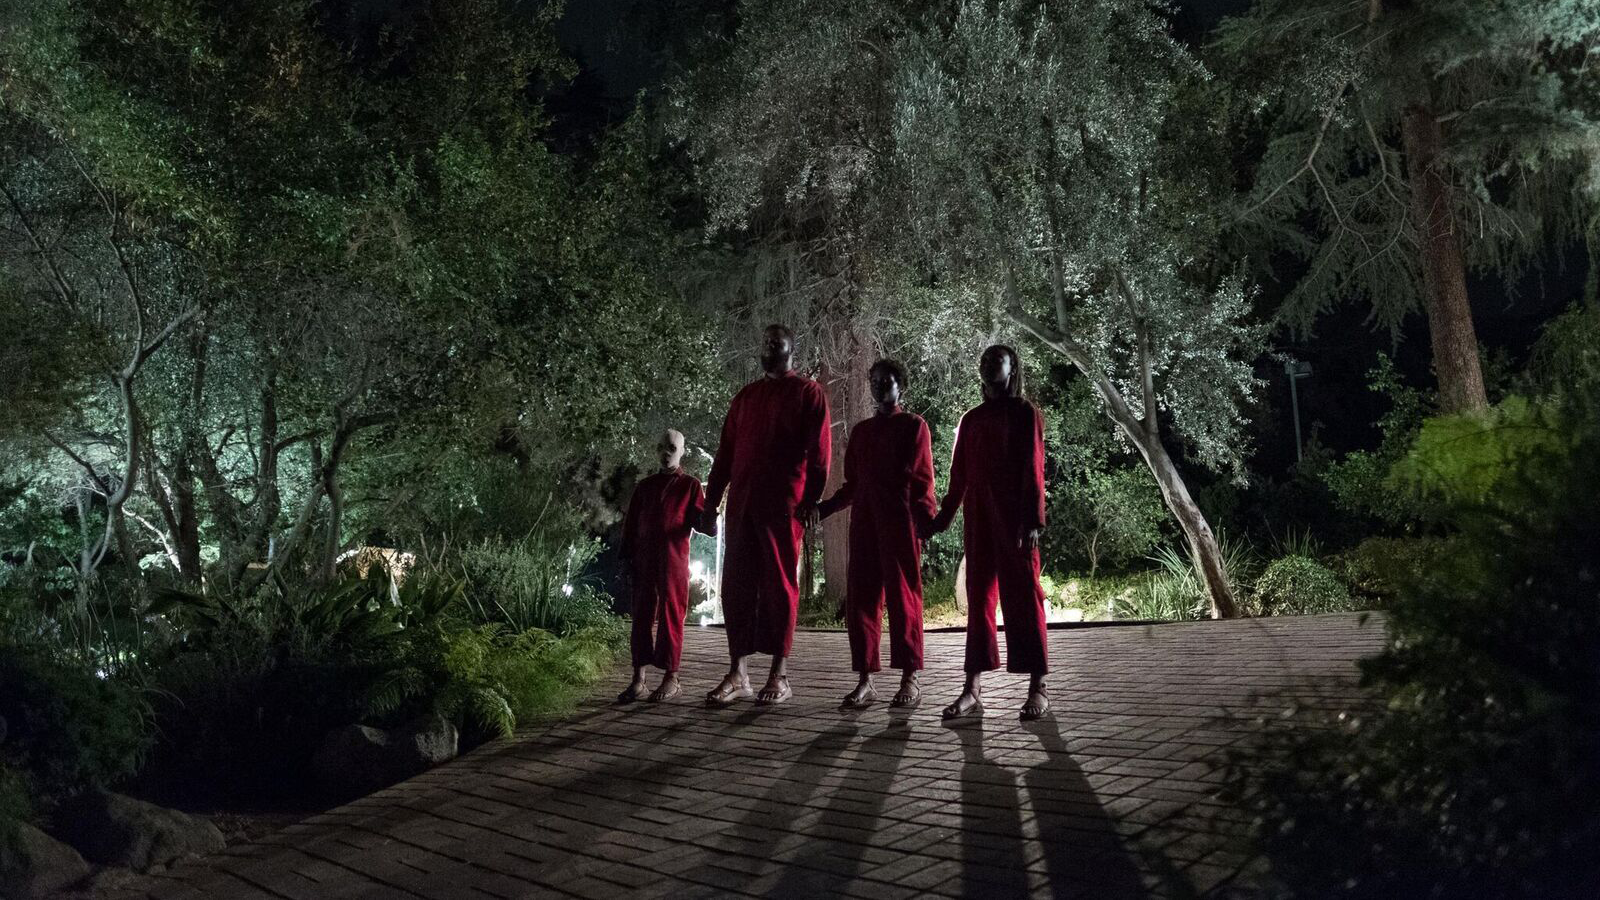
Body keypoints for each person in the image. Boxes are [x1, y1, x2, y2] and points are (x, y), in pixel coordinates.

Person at [701, 325, 831, 706]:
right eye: (765, 341)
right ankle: (738, 672)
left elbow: (819, 454)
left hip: (782, 505)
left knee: (779, 586)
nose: (769, 346)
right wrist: (711, 504)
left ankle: (780, 673)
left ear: (793, 348)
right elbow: (724, 456)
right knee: (736, 586)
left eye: (777, 341)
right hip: (742, 504)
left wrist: (811, 500)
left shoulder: (808, 393)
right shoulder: (745, 397)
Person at [924, 345, 1051, 721]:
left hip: (1015, 521)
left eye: (998, 359)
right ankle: (972, 689)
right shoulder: (972, 419)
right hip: (979, 522)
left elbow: (1034, 466)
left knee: (1025, 600)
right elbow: (958, 476)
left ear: (1013, 369)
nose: (988, 365)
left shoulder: (1025, 413)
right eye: (984, 360)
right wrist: (940, 520)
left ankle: (1038, 687)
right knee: (979, 604)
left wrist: (1033, 520)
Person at [812, 359, 937, 709]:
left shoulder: (914, 426)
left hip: (899, 525)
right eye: (876, 381)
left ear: (902, 384)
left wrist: (925, 520)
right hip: (865, 526)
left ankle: (909, 677)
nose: (881, 386)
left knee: (904, 600)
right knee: (862, 602)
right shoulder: (862, 432)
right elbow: (853, 485)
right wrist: (824, 509)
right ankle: (865, 679)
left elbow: (922, 481)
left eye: (889, 380)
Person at [618, 429, 706, 703]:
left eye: (671, 448)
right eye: (662, 448)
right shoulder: (645, 487)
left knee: (671, 615)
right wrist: (626, 559)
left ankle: (671, 677)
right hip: (644, 560)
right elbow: (631, 526)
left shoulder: (690, 485)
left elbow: (703, 524)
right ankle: (638, 679)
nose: (666, 453)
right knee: (641, 616)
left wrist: (711, 512)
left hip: (673, 561)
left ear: (681, 452)